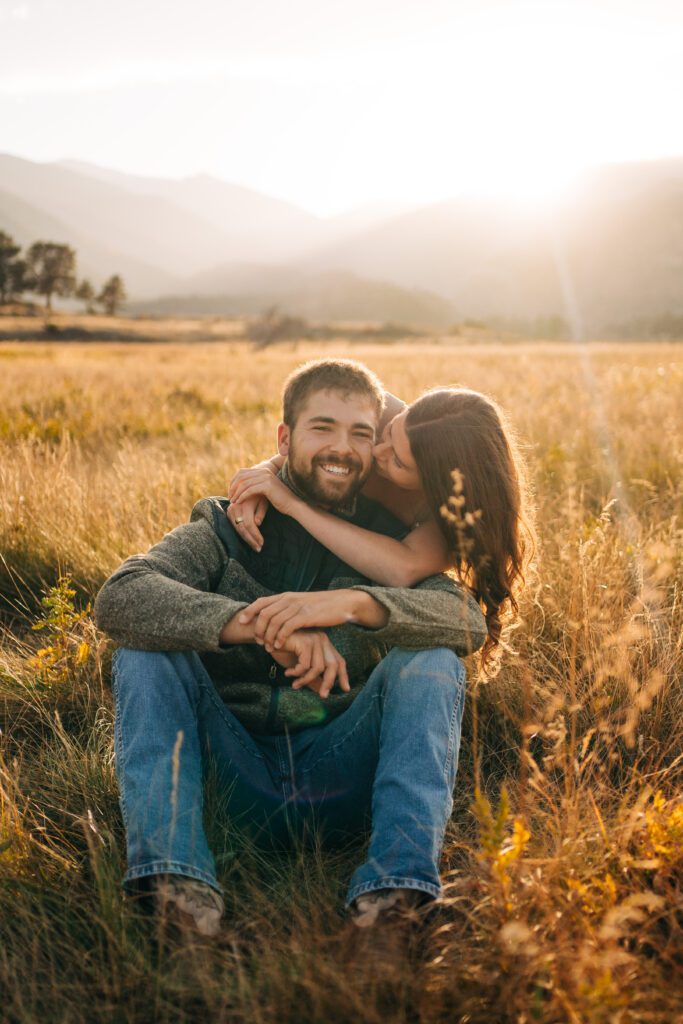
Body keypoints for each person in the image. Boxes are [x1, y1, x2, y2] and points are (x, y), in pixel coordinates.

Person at [95, 359, 487, 939]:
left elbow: (464, 621)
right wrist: (262, 625)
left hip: (343, 769)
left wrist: (358, 603)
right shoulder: (229, 525)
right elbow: (122, 596)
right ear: (284, 440)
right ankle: (179, 895)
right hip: (227, 775)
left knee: (433, 662)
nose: (343, 448)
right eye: (322, 428)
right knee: (144, 650)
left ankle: (392, 903)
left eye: (361, 433)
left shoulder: (388, 543)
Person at [227, 386, 532, 675]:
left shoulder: (454, 515)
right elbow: (306, 453)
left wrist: (294, 506)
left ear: (434, 484)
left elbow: (399, 570)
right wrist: (264, 474)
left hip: (360, 599)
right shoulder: (379, 409)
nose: (377, 452)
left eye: (397, 461)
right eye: (388, 433)